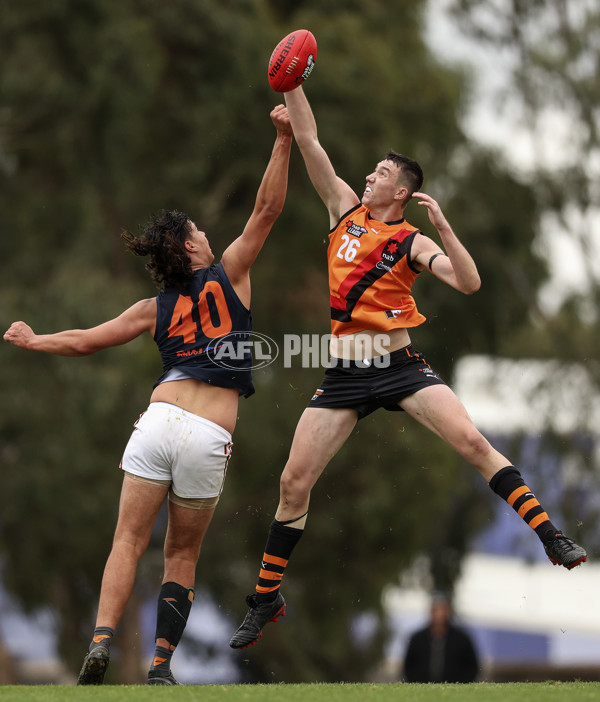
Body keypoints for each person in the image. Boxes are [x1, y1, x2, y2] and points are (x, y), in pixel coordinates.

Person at [228, 85, 586, 650]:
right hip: (344, 374)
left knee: (471, 441)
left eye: (379, 173)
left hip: (398, 365)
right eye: (370, 172)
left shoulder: (410, 240)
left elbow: (468, 283)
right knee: (293, 483)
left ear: (402, 190)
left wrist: (443, 227)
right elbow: (311, 141)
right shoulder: (343, 209)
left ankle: (551, 535)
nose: (368, 177)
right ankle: (267, 596)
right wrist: (294, 82)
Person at [4, 106, 293, 685]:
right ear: (190, 250)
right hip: (210, 433)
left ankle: (101, 642)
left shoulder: (152, 308)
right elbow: (266, 209)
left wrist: (35, 341)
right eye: (199, 234)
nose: (208, 237)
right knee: (180, 556)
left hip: (158, 421)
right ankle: (160, 665)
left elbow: (87, 341)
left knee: (127, 540)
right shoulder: (232, 271)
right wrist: (283, 140)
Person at [403, 593, 479, 683]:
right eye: (435, 610)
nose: (439, 615)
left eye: (442, 610)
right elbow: (409, 666)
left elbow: (471, 667)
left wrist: (459, 685)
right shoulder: (418, 639)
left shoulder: (461, 639)